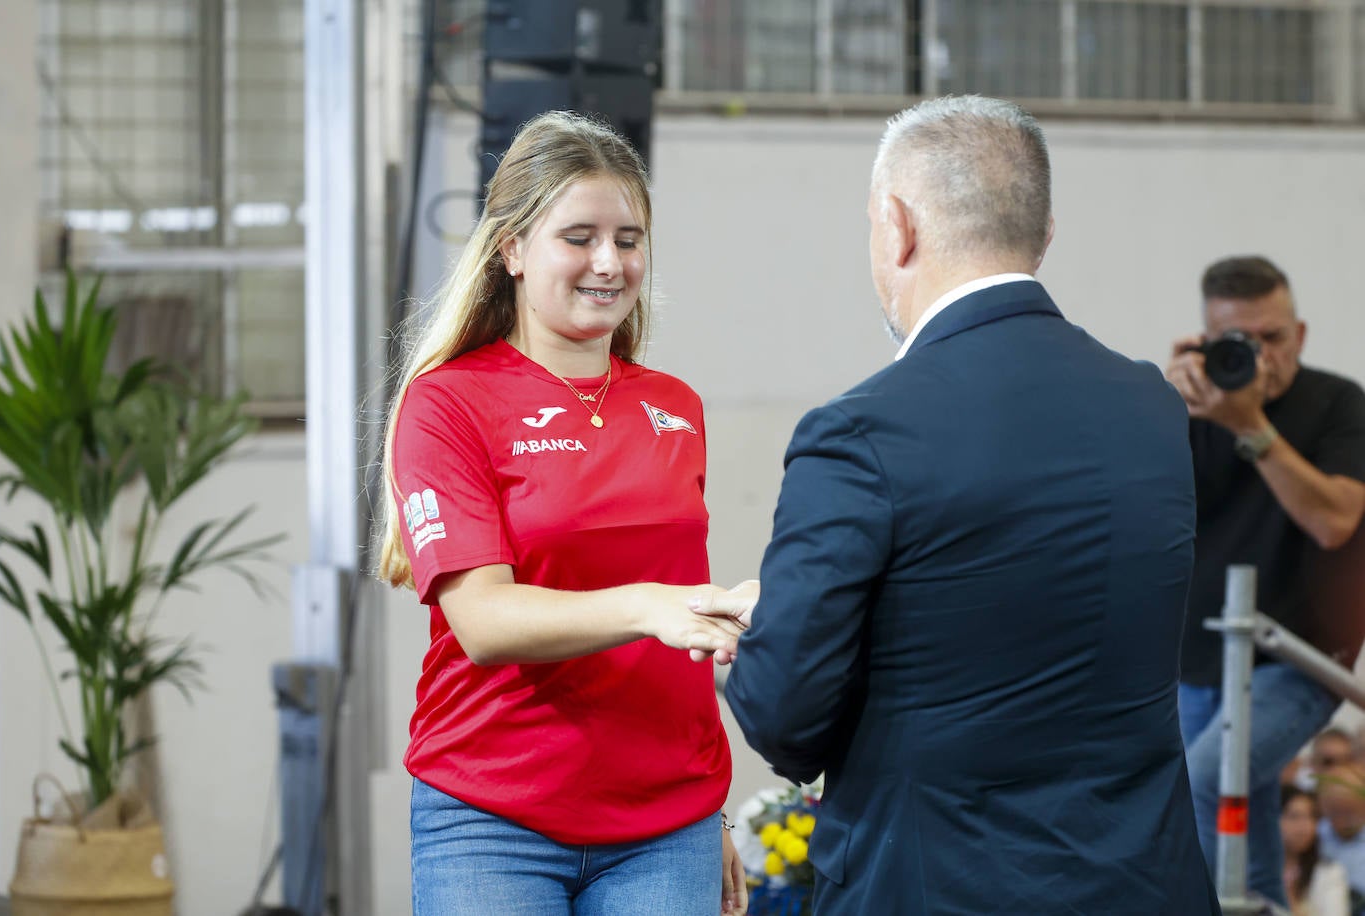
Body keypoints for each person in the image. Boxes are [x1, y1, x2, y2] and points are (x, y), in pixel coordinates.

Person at [715, 95, 1218, 914]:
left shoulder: (860, 432)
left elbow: (785, 715)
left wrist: (750, 646)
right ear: (1045, 233)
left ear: (896, 225)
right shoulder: (1152, 408)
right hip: (1144, 883)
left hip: (932, 884)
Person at [375, 111, 748, 916]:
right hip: (493, 815)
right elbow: (484, 621)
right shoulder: (446, 405)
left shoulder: (674, 408)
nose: (609, 262)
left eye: (629, 238)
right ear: (511, 248)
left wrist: (712, 808)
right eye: (578, 236)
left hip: (666, 821)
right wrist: (651, 607)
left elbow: (679, 632)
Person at [1166, 255, 1365, 905]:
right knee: (1235, 796)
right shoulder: (1189, 410)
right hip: (1197, 655)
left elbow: (1335, 520)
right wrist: (1159, 411)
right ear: (1206, 339)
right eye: (1239, 343)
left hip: (1302, 654)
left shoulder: (1339, 403)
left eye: (1273, 338)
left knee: (1206, 780)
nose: (1260, 356)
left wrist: (1251, 425)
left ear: (1301, 335)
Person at [1281, 785, 1350, 916]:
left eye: (1312, 817)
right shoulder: (1255, 871)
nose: (1305, 826)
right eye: (1294, 817)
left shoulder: (1329, 872)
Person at [1318, 765, 1365, 911]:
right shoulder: (1312, 837)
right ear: (1323, 807)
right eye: (1336, 813)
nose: (1343, 822)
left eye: (1350, 812)